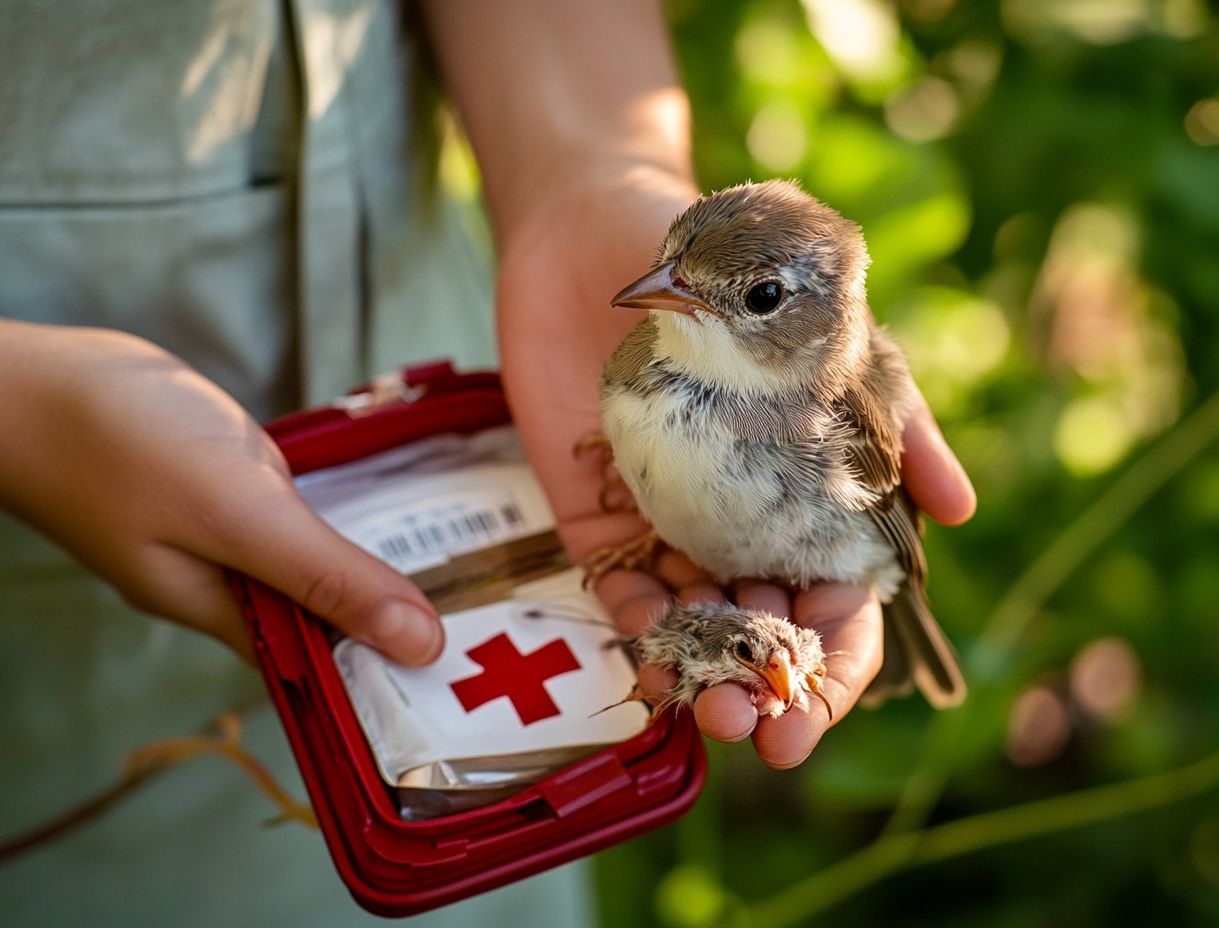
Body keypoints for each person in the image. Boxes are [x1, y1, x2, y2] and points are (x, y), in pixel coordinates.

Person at [0, 1, 976, 924]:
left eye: (749, 298)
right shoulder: (646, 352)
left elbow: (874, 521)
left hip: (761, 542)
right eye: (668, 265)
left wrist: (590, 166)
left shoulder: (835, 412)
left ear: (814, 327)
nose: (659, 295)